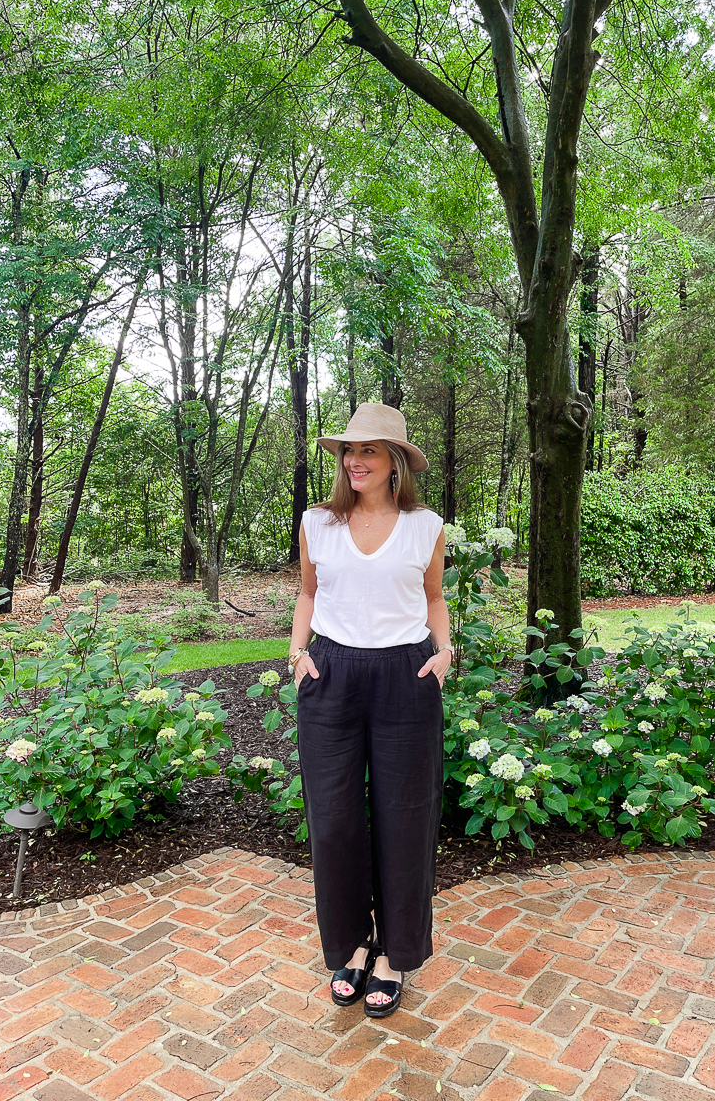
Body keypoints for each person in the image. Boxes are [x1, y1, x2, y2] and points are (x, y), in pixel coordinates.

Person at [288, 403, 452, 1019]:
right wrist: (297, 652)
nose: (355, 462)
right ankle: (352, 945)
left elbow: (433, 597)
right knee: (332, 818)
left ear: (395, 464)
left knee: (404, 818)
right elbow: (307, 592)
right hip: (330, 675)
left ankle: (394, 955)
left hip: (405, 677)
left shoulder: (424, 526)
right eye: (348, 453)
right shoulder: (317, 523)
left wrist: (445, 650)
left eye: (369, 453)